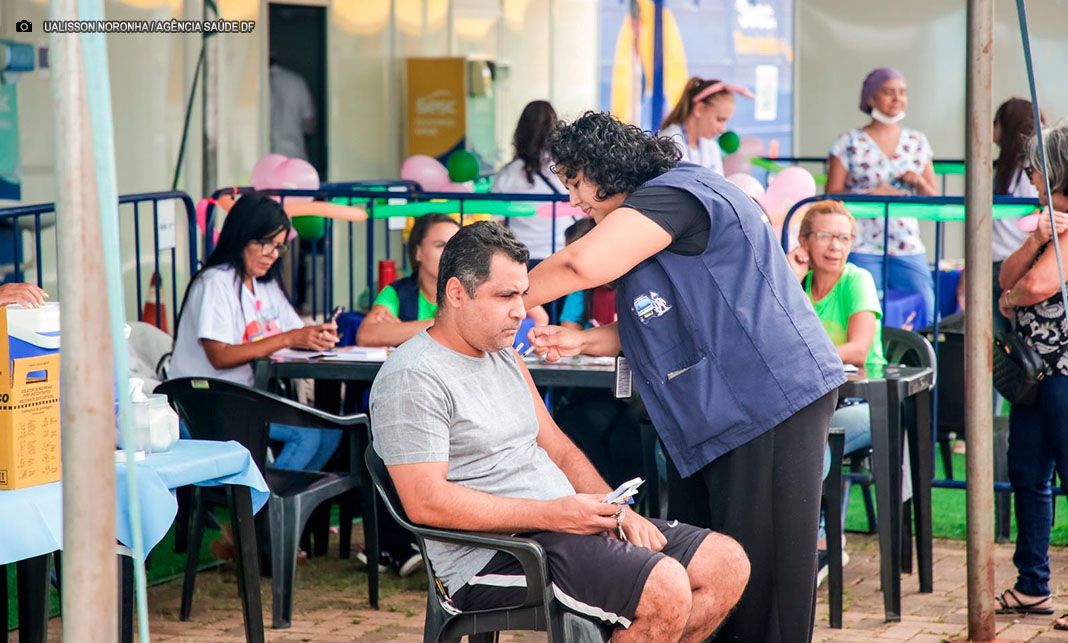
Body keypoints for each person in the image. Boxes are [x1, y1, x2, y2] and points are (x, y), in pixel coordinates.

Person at [524, 111, 844, 641]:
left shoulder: (673, 194)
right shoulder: (663, 204)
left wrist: (503, 299)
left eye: (576, 183)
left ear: (606, 169)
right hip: (718, 413)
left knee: (760, 576)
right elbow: (664, 314)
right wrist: (583, 339)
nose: (574, 200)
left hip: (766, 401)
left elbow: (581, 265)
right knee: (709, 561)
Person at [370, 222, 749, 640]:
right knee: (665, 587)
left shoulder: (504, 357)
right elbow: (427, 504)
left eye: (523, 294)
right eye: (506, 296)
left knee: (725, 563)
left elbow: (558, 448)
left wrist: (612, 509)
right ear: (457, 293)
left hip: (560, 528)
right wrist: (557, 513)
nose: (521, 310)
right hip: (493, 557)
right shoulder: (413, 376)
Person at [169, 191, 341, 471]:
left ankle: (280, 507)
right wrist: (288, 338)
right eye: (265, 244)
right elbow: (219, 356)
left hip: (246, 399)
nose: (272, 255)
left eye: (278, 247)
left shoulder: (265, 285)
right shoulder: (216, 283)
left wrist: (314, 337)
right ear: (242, 236)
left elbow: (294, 332)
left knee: (331, 434)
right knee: (306, 438)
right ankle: (263, 510)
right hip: (205, 402)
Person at [788, 200, 887, 583]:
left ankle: (821, 546)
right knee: (793, 439)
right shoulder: (798, 281)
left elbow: (858, 349)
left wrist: (797, 356)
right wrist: (790, 274)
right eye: (826, 236)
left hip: (862, 402)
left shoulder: (856, 280)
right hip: (809, 403)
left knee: (814, 443)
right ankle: (804, 543)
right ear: (805, 242)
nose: (835, 246)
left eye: (843, 238)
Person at [995, 121, 1068, 629]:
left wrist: (1007, 299)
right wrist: (1036, 239)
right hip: (1031, 375)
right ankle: (1031, 585)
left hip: (1062, 372)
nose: (1031, 176)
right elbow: (1007, 273)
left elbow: (1039, 285)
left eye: (1036, 168)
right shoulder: (1047, 221)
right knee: (1027, 474)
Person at [826, 67, 938, 322]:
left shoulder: (917, 141)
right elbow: (831, 195)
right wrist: (870, 193)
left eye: (902, 92)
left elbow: (933, 197)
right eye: (888, 92)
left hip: (906, 241)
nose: (897, 98)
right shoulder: (849, 141)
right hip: (862, 242)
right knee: (865, 310)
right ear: (870, 98)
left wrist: (918, 182)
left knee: (926, 305)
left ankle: (925, 357)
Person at [492, 100, 575, 265]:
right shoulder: (567, 170)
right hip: (561, 254)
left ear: (520, 132)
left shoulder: (507, 175)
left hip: (520, 257)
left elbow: (497, 222)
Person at [357, 214, 460, 347]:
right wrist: (441, 325)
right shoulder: (397, 292)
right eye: (440, 245)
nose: (449, 253)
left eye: (455, 247)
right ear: (418, 252)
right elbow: (366, 335)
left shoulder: (469, 292)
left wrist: (402, 330)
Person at [992, 98, 1043, 333]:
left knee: (1005, 335)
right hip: (1014, 258)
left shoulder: (1027, 169)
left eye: (995, 123)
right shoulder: (1011, 168)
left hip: (1012, 259)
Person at [658, 77, 750, 176]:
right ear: (699, 109)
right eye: (719, 120)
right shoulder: (667, 142)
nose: (723, 129)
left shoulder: (712, 147)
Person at [269, 57, 316, 161]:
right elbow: (309, 127)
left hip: (260, 161)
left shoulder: (248, 84)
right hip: (293, 156)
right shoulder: (296, 81)